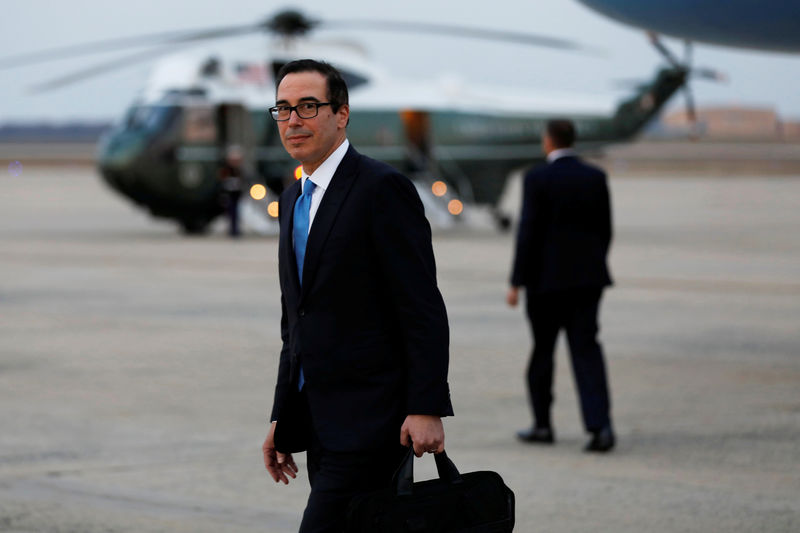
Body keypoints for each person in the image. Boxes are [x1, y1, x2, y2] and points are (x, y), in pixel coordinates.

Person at [261, 59, 454, 532]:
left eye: (308, 106)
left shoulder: (381, 189)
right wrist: (282, 416)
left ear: (341, 114)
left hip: (374, 420)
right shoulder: (291, 199)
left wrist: (426, 405)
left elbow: (421, 306)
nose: (293, 121)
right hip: (319, 425)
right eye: (283, 109)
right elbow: (297, 320)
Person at [507, 119, 615, 453]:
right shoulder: (595, 177)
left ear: (549, 141)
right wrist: (592, 263)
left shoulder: (536, 177)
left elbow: (528, 232)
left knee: (543, 351)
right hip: (587, 280)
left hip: (545, 283)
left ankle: (542, 425)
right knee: (587, 350)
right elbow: (605, 229)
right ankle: (600, 428)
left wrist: (516, 281)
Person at [218, 145, 245, 237]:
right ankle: (232, 229)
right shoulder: (226, 170)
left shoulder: (240, 170)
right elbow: (222, 181)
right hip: (229, 194)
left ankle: (235, 229)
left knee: (237, 212)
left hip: (237, 194)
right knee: (230, 212)